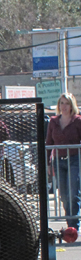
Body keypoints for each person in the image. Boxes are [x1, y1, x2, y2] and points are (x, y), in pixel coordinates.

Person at [46, 92, 81, 231]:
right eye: (61, 103)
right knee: (64, 196)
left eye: (66, 103)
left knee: (73, 193)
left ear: (72, 105)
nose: (64, 106)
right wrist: (48, 162)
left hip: (74, 159)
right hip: (58, 161)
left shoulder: (77, 121)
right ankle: (69, 225)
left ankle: (74, 226)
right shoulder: (53, 121)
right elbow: (49, 142)